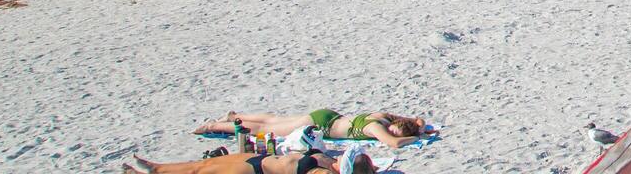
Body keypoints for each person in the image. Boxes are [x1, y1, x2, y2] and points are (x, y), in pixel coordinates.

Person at [191, 110, 428, 149]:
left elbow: (419, 120)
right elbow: (393, 143)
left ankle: (235, 115)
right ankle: (214, 126)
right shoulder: (376, 128)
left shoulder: (384, 117)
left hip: (327, 115)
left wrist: (421, 130)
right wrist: (412, 139)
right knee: (264, 129)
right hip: (319, 125)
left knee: (273, 120)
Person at [121, 150, 374, 174]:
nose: (341, 156)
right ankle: (155, 168)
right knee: (202, 165)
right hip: (260, 159)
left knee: (200, 171)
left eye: (346, 159)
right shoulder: (328, 162)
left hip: (256, 169)